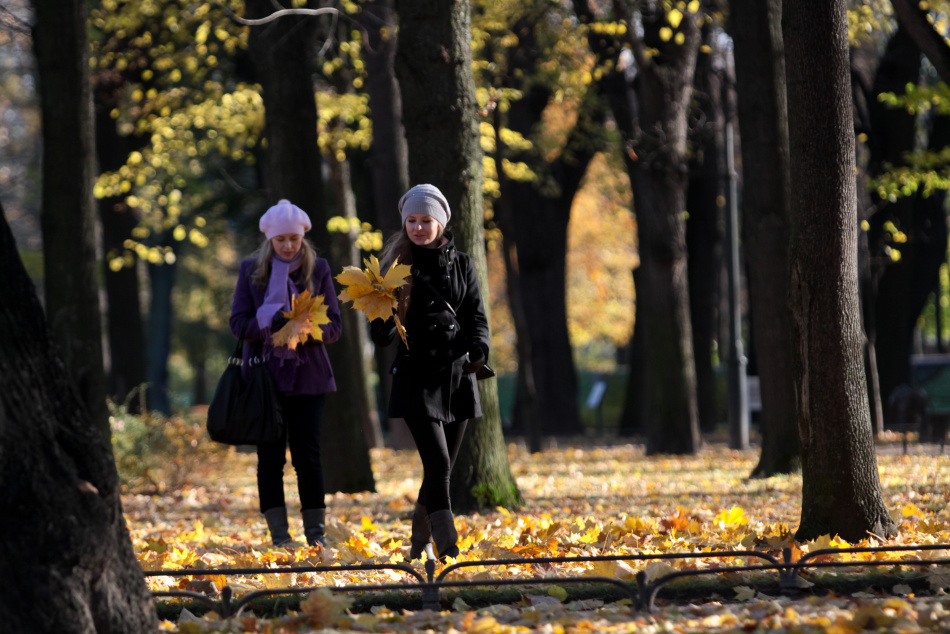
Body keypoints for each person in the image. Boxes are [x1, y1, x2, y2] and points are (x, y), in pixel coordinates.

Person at [371, 184, 490, 561]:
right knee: (437, 463)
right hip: (415, 377)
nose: (418, 228)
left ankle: (418, 540)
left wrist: (480, 348)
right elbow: (380, 335)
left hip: (457, 376)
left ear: (441, 222)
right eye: (412, 220)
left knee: (444, 468)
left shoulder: (463, 263)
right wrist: (383, 307)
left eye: (426, 220)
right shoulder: (393, 266)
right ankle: (448, 545)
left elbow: (476, 316)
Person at [229, 199, 342, 547]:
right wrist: (268, 321)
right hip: (265, 379)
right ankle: (279, 535)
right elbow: (238, 324)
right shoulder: (252, 271)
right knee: (270, 459)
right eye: (282, 240)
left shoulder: (318, 269)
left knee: (307, 456)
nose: (289, 246)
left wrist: (302, 327)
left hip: (309, 378)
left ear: (303, 238)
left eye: (294, 239)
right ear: (270, 241)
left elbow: (334, 327)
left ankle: (315, 535)